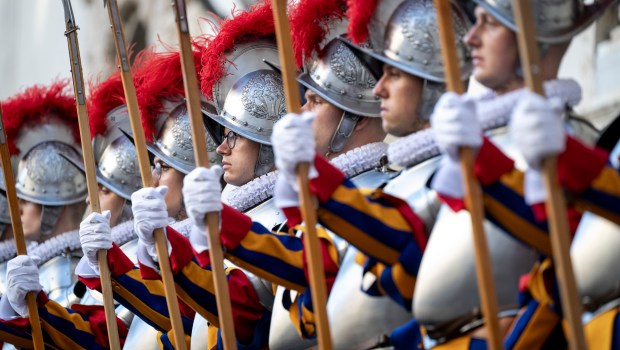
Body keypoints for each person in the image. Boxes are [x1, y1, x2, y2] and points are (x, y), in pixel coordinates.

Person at [420, 0, 619, 348]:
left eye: (490, 23)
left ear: (537, 35)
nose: (471, 38)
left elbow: (565, 259)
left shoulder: (572, 137)